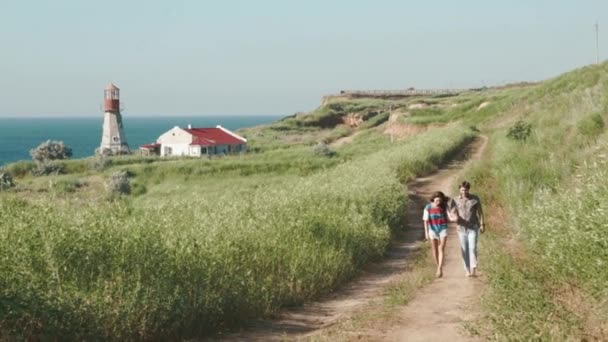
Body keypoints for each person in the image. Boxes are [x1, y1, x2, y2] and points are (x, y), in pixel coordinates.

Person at [451, 181, 485, 277]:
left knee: (473, 247)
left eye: (465, 190)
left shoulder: (475, 198)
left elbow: (480, 212)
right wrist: (454, 217)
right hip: (461, 228)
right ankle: (467, 269)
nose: (464, 192)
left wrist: (482, 224)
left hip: (473, 227)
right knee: (464, 249)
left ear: (468, 189)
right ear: (459, 190)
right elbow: (452, 212)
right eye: (462, 190)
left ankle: (473, 269)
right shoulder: (455, 200)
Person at [422, 191, 456, 278]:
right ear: (433, 199)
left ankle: (439, 268)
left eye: (440, 200)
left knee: (441, 248)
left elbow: (449, 216)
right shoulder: (428, 207)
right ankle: (438, 266)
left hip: (442, 228)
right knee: (434, 249)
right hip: (432, 229)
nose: (438, 202)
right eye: (437, 200)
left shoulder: (444, 206)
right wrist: (426, 233)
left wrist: (454, 218)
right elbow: (425, 221)